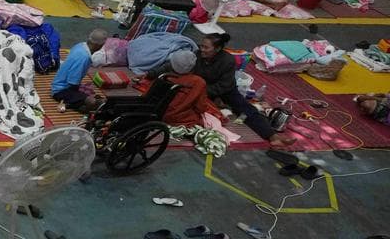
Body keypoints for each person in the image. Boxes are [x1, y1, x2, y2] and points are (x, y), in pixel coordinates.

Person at [144, 33, 294, 148]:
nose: (202, 49)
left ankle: (272, 136)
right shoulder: (196, 55)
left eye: (206, 47)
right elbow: (171, 65)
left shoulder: (227, 60)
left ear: (217, 49)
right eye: (201, 46)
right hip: (199, 87)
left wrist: (202, 92)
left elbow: (225, 85)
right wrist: (149, 74)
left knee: (245, 109)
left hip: (223, 90)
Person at [50, 28, 107, 112]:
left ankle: (75, 104)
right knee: (93, 102)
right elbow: (72, 82)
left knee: (90, 99)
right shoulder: (84, 58)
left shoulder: (81, 45)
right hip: (60, 91)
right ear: (99, 46)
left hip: (60, 84)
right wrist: (80, 96)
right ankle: (72, 104)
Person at [158, 49, 218, 127]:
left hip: (160, 115)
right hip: (183, 119)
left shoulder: (164, 77)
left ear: (172, 63)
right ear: (193, 65)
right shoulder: (198, 82)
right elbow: (201, 107)